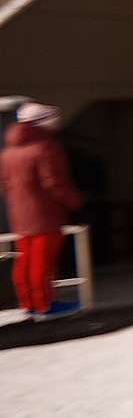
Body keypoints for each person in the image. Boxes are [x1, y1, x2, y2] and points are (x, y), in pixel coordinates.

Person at [3, 101, 80, 317]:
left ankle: (28, 301)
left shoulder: (7, 152)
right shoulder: (46, 147)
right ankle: (44, 303)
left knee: (25, 259)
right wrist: (73, 202)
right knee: (42, 261)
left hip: (19, 215)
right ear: (41, 122)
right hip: (46, 213)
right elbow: (53, 182)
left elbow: (4, 185)